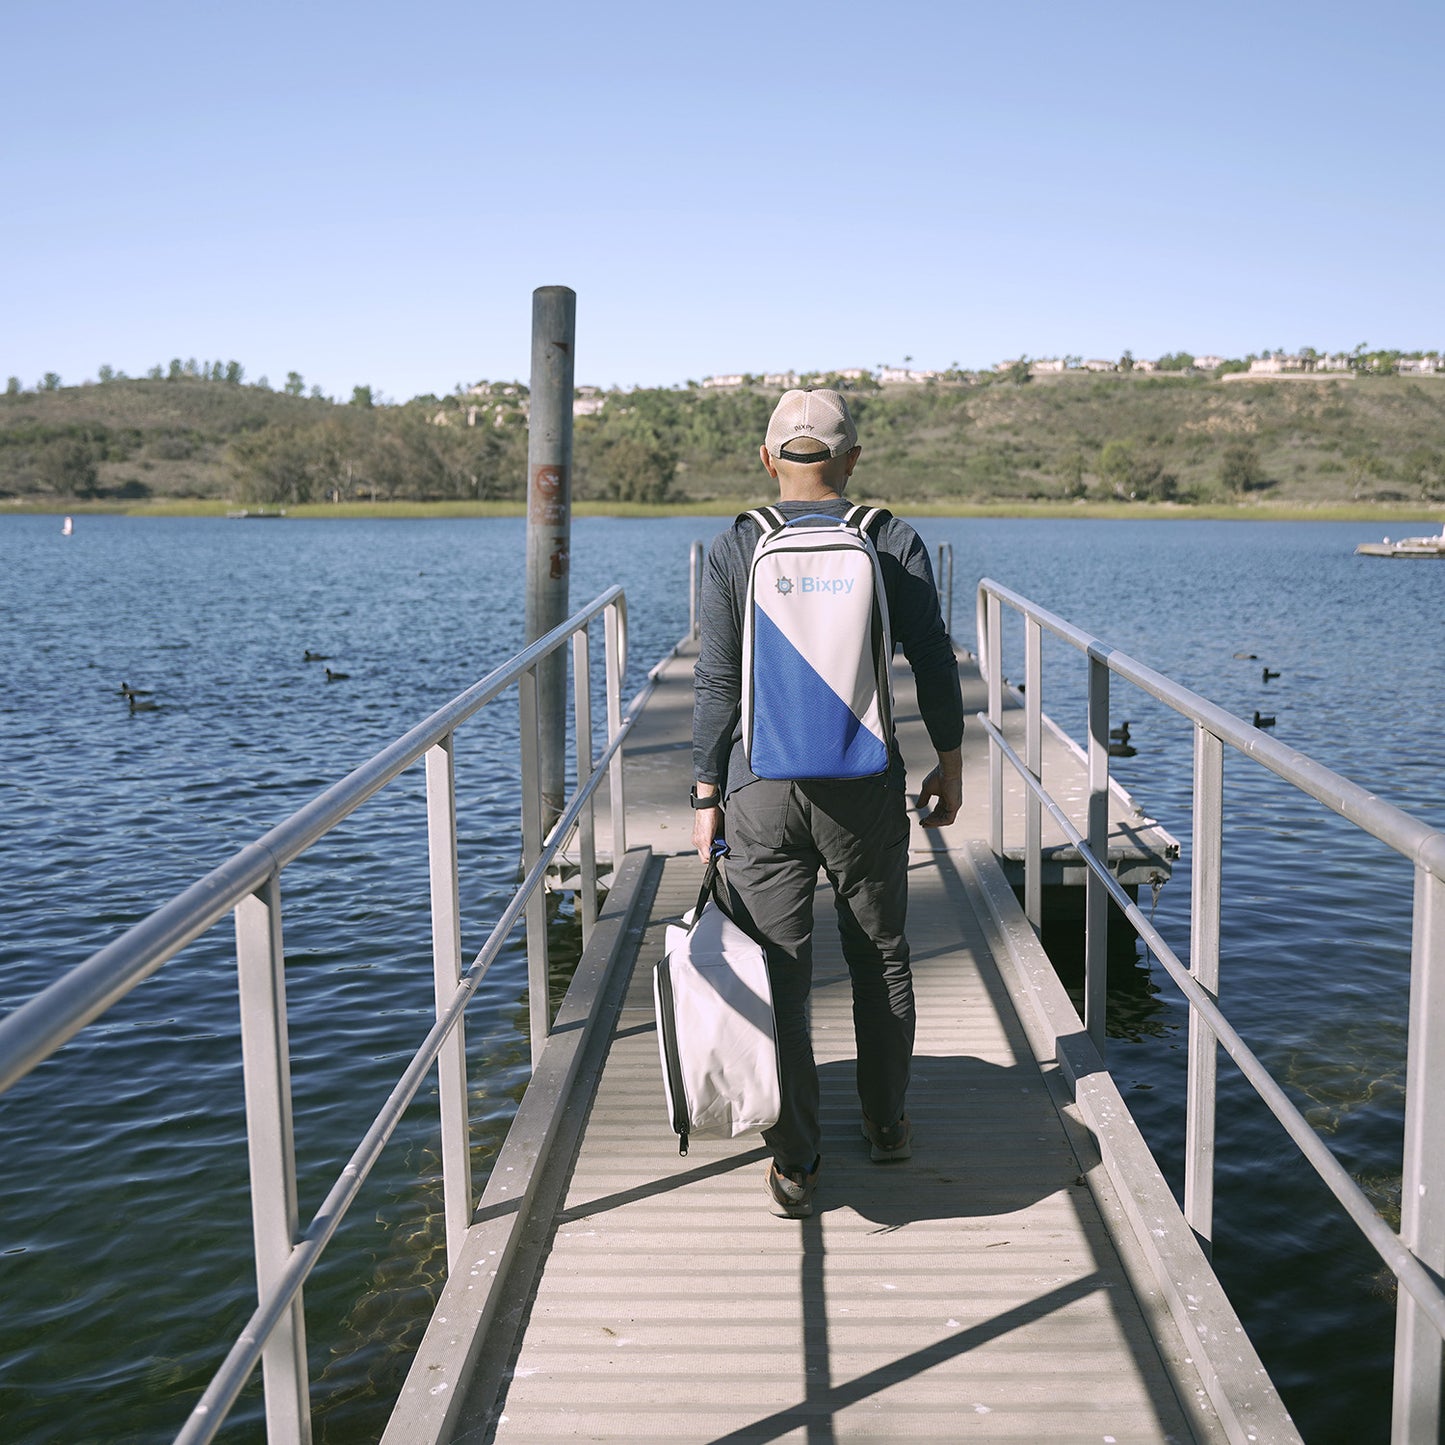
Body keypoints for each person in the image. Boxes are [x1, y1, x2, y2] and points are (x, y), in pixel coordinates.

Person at [690, 388, 964, 1218]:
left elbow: (714, 686)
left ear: (768, 459)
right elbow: (934, 661)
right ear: (849, 461)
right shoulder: (890, 537)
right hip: (865, 785)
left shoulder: (737, 544)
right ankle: (885, 1125)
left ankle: (798, 1163)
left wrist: (707, 793)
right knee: (879, 953)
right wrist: (950, 761)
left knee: (780, 973)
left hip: (761, 788)